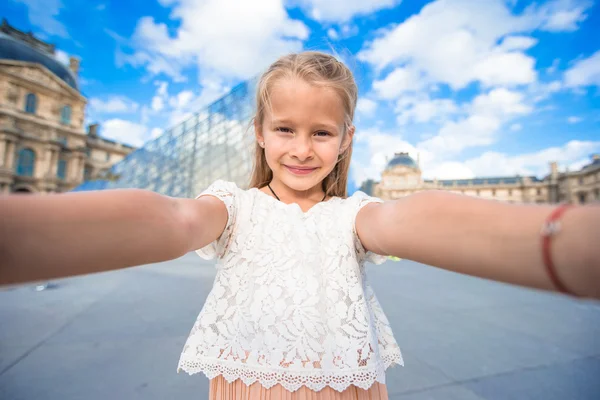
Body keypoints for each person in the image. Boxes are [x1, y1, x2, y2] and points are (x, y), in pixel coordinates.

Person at [0, 51, 599, 400]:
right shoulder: (232, 206)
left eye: (322, 132)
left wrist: (555, 242)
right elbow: (173, 219)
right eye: (285, 128)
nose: (302, 148)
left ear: (346, 141)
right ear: (258, 133)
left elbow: (408, 219)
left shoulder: (353, 215)